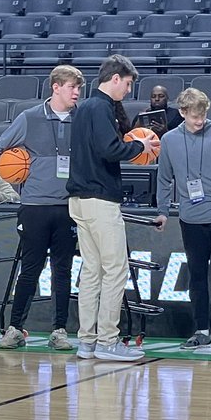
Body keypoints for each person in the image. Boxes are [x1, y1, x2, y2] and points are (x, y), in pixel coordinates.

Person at [0, 64, 85, 351]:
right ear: (56, 87)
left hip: (68, 206)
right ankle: (15, 328)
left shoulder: (83, 118)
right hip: (34, 206)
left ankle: (60, 330)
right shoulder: (30, 117)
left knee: (63, 270)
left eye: (79, 88)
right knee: (30, 269)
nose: (77, 92)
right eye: (72, 87)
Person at [66, 54, 159, 362]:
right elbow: (110, 149)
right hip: (100, 201)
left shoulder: (83, 108)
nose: (129, 91)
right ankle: (108, 340)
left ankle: (87, 341)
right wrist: (140, 147)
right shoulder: (101, 107)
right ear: (115, 78)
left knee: (91, 273)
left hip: (79, 200)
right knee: (115, 270)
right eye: (128, 84)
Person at [153, 88, 211, 351]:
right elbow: (164, 179)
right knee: (197, 275)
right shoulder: (170, 140)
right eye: (195, 116)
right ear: (183, 113)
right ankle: (202, 330)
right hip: (190, 218)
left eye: (204, 114)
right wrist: (163, 211)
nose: (200, 120)